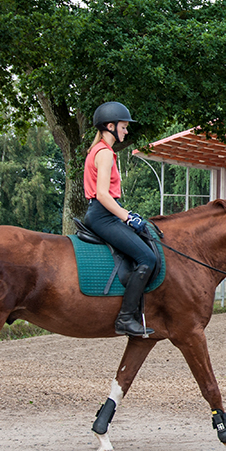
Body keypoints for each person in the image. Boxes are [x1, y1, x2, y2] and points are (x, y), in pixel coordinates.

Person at [83, 101, 157, 337]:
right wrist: (127, 218)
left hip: (104, 212)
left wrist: (127, 213)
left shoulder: (99, 151)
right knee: (147, 257)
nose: (126, 131)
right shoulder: (104, 153)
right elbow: (103, 194)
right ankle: (125, 318)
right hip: (102, 216)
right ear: (110, 126)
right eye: (124, 127)